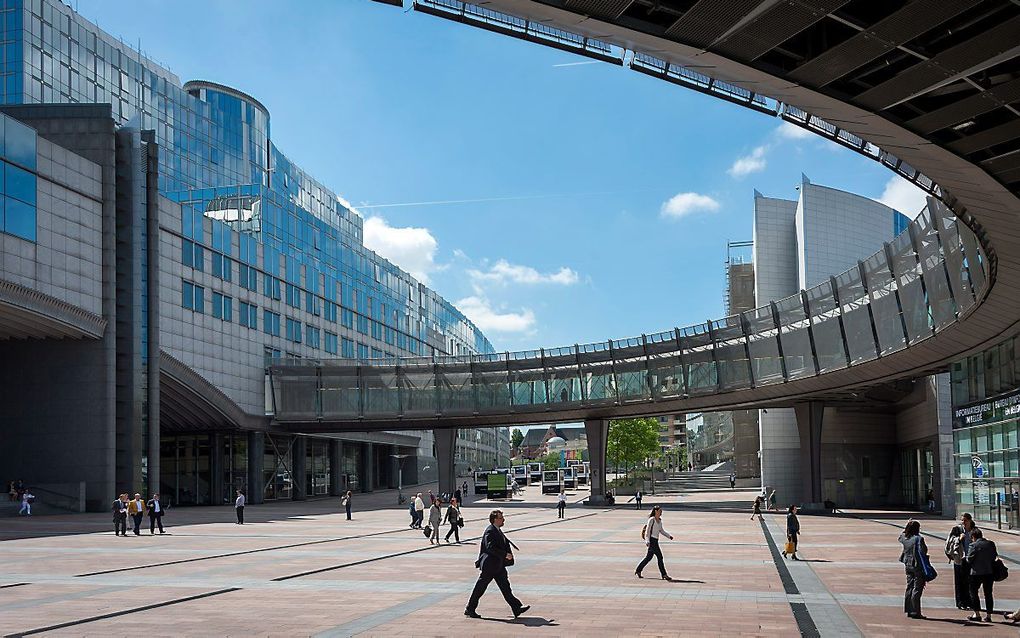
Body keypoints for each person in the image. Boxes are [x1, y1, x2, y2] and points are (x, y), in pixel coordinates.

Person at [464, 509, 529, 619]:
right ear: (495, 520)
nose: (503, 519)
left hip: (498, 566)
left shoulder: (497, 530)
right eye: (501, 518)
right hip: (490, 566)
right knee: (480, 588)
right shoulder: (490, 531)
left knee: (506, 588)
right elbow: (490, 547)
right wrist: (505, 554)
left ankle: (516, 607)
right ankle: (470, 609)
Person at [899, 519, 930, 619]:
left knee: (909, 587)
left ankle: (909, 609)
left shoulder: (904, 537)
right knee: (917, 588)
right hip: (917, 566)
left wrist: (907, 524)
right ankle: (915, 611)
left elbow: (901, 535)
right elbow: (924, 550)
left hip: (907, 564)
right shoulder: (918, 539)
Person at [966, 527, 998, 622]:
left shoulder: (973, 545)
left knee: (974, 592)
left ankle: (977, 614)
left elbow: (969, 559)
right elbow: (994, 556)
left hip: (976, 573)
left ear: (973, 536)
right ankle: (989, 615)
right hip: (989, 572)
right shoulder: (991, 544)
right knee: (988, 593)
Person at [945, 513, 976, 610]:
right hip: (959, 559)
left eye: (965, 520)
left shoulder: (975, 530)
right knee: (959, 582)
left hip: (971, 560)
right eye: (962, 520)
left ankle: (969, 601)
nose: (963, 522)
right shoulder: (957, 530)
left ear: (970, 520)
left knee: (970, 582)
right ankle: (960, 602)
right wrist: (959, 539)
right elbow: (949, 541)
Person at [635, 505, 674, 580]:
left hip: (655, 541)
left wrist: (669, 536)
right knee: (660, 557)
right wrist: (647, 541)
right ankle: (664, 574)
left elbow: (661, 530)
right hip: (652, 541)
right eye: (660, 511)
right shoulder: (651, 520)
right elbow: (648, 531)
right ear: (656, 511)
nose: (661, 513)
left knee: (648, 558)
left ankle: (638, 570)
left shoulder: (659, 520)